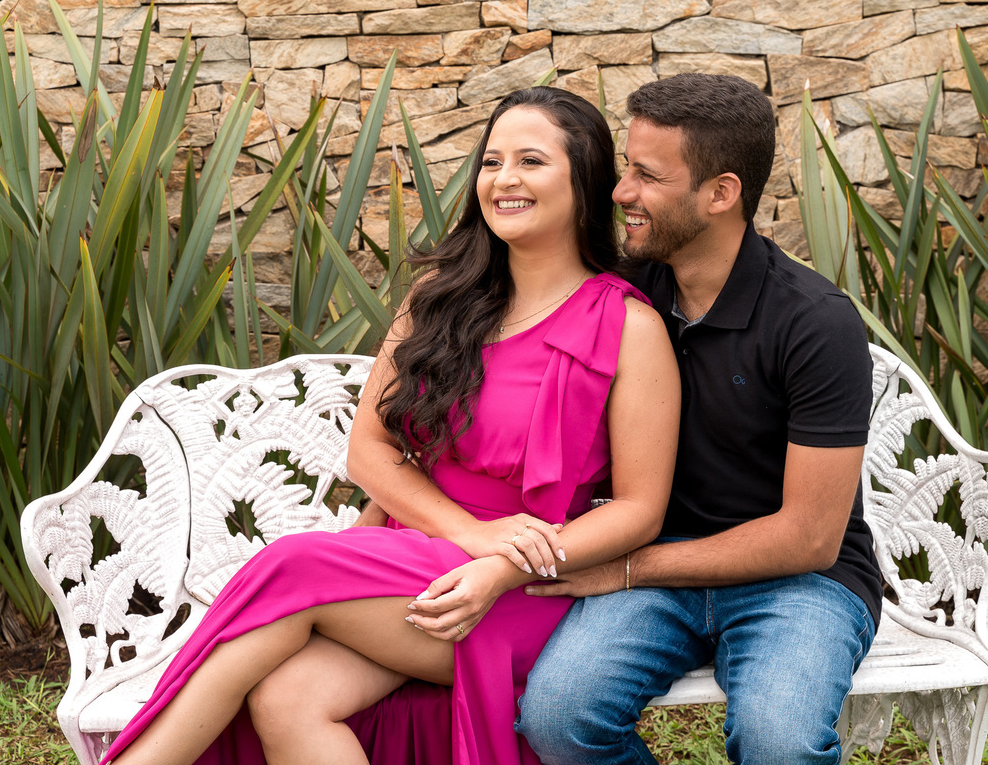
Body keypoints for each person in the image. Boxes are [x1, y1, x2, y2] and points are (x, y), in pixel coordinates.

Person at [101, 86, 680, 765]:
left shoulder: (628, 327)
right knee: (289, 698)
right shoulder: (440, 299)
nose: (504, 180)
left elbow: (640, 511)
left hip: (522, 587)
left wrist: (497, 560)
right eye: (491, 162)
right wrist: (468, 532)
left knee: (289, 564)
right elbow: (369, 449)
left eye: (531, 161)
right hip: (418, 556)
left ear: (583, 181)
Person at [516, 73, 883, 765]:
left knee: (779, 741)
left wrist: (629, 569)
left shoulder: (813, 322)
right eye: (628, 167)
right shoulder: (622, 296)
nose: (622, 192)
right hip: (658, 573)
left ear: (720, 194)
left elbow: (809, 539)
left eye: (648, 176)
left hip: (798, 583)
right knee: (558, 718)